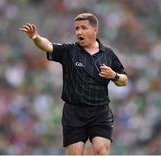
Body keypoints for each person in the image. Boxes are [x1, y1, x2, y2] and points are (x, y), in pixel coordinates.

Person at [21, 13, 128, 155]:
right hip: (74, 113)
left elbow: (124, 80)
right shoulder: (69, 51)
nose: (79, 32)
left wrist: (114, 75)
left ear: (95, 30)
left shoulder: (108, 54)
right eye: (77, 28)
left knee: (101, 151)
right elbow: (48, 46)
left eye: (84, 28)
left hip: (100, 112)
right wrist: (35, 37)